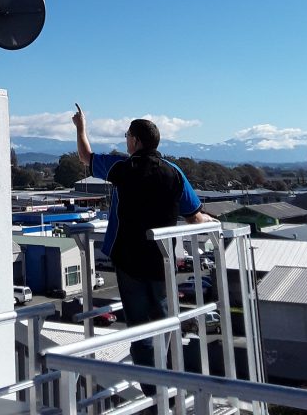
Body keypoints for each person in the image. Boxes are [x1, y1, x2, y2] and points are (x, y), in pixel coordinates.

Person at [72, 103, 212, 393]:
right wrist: (212, 221)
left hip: (129, 260)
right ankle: (171, 387)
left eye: (127, 135)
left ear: (135, 141)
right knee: (165, 323)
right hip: (162, 261)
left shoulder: (122, 167)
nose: (125, 140)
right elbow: (194, 216)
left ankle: (151, 391)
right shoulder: (174, 173)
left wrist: (81, 127)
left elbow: (85, 157)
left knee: (139, 327)